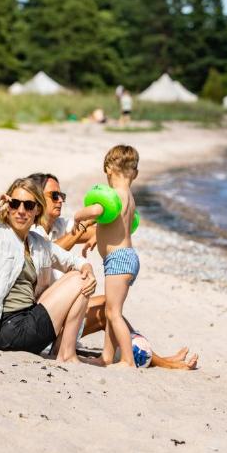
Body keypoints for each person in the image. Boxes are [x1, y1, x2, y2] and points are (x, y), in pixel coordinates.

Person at [28, 172, 197, 370]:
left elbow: (102, 228)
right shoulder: (31, 232)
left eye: (62, 196)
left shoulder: (60, 225)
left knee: (110, 305)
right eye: (54, 196)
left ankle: (157, 359)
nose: (60, 201)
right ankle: (162, 362)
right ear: (38, 197)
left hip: (66, 312)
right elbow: (51, 252)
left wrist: (117, 215)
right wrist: (81, 229)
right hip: (43, 317)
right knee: (109, 308)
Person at [0, 178, 96, 362]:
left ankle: (64, 350)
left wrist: (89, 268)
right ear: (7, 206)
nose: (21, 211)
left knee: (82, 275)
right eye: (14, 204)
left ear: (37, 209)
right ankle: (66, 354)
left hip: (27, 318)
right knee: (81, 280)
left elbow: (73, 260)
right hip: (8, 329)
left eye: (28, 205)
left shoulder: (38, 243)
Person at [74, 145, 140, 367]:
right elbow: (121, 227)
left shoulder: (113, 195)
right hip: (128, 256)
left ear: (109, 170)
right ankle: (107, 357)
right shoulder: (129, 197)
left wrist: (78, 216)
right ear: (135, 174)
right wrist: (97, 237)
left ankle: (128, 361)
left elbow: (95, 211)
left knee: (113, 312)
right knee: (113, 311)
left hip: (119, 260)